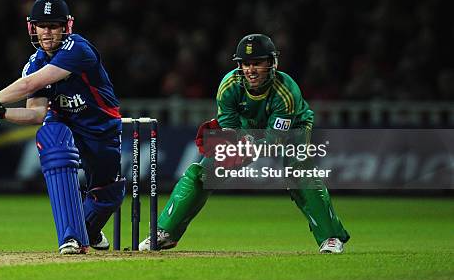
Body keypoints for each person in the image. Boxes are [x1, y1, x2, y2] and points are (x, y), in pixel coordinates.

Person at [139, 33, 350, 253]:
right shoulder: (229, 86)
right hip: (246, 129)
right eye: (246, 64)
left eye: (257, 63)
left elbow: (273, 142)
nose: (251, 69)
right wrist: (229, 143)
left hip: (292, 129)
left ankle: (331, 237)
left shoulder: (285, 92)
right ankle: (164, 233)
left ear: (272, 63)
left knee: (299, 172)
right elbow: (230, 128)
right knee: (202, 173)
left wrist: (246, 141)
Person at [0, 0, 125, 255]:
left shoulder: (77, 49)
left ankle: (88, 230)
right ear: (32, 28)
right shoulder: (34, 63)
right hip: (63, 122)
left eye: (53, 25)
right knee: (51, 136)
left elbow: (29, 85)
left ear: (65, 27)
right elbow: (36, 114)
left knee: (108, 195)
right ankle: (71, 238)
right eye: (42, 25)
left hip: (99, 128)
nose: (47, 32)